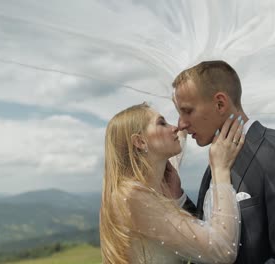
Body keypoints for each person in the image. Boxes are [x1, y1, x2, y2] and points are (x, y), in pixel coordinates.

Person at [171, 60, 275, 264]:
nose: (181, 124)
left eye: (187, 111)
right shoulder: (217, 163)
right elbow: (212, 235)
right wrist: (178, 196)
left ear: (220, 104)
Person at [100, 102, 246, 264]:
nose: (174, 128)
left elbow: (180, 137)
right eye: (161, 123)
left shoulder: (155, 183)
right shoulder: (132, 196)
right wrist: (220, 169)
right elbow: (222, 250)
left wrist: (187, 108)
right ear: (140, 142)